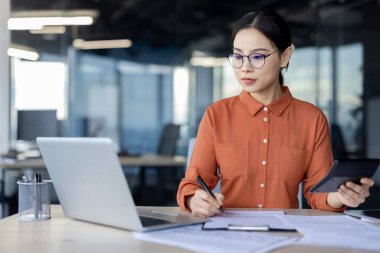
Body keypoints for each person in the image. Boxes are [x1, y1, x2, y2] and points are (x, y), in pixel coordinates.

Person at [176, 10, 374, 218]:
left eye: (257, 57)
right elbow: (191, 185)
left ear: (285, 56)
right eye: (238, 56)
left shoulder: (312, 119)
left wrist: (341, 197)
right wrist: (194, 199)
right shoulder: (216, 115)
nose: (245, 68)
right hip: (229, 232)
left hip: (288, 233)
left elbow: (318, 193)